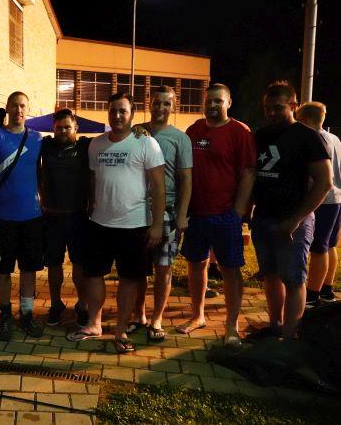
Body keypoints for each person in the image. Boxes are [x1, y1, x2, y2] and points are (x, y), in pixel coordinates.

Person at [69, 93, 165, 353]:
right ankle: (94, 323)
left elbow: (159, 186)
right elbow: (92, 181)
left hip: (134, 226)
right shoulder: (96, 144)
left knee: (129, 279)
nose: (117, 115)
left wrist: (157, 224)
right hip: (100, 223)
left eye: (123, 111)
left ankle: (121, 330)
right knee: (93, 275)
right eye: (113, 111)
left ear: (132, 114)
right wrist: (90, 210)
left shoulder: (146, 143)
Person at [251, 84, 331, 340]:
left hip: (294, 222)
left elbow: (324, 182)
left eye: (278, 108)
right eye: (267, 108)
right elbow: (252, 176)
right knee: (271, 275)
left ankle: (290, 337)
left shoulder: (308, 137)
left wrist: (296, 220)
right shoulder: (260, 135)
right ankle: (275, 327)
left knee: (294, 279)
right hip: (263, 218)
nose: (272, 113)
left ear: (294, 106)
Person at [180, 83, 256, 347]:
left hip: (225, 215)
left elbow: (248, 173)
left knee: (230, 270)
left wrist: (238, 211)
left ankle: (231, 325)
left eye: (218, 101)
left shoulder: (239, 132)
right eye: (209, 101)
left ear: (228, 103)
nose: (212, 105)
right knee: (196, 264)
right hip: (196, 214)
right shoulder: (194, 130)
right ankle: (197, 316)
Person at [0, 91, 44, 341]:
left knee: (29, 269)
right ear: (7, 107)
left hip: (32, 217)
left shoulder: (37, 138)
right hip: (2, 218)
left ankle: (26, 314)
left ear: (28, 109)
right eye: (15, 105)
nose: (19, 110)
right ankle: (5, 315)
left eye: (23, 106)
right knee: (3, 270)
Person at [129, 86, 192, 342]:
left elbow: (186, 178)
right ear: (149, 103)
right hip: (136, 212)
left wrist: (182, 214)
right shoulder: (136, 132)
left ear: (174, 106)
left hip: (167, 212)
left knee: (163, 268)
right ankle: (139, 315)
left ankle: (157, 318)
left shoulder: (180, 139)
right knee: (137, 269)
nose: (161, 108)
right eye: (157, 102)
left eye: (167, 103)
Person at [38, 109, 91, 327]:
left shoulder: (86, 146)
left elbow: (114, 137)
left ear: (76, 127)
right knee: (53, 264)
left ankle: (82, 305)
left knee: (79, 264)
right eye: (59, 127)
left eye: (67, 127)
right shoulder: (45, 145)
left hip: (78, 217)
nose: (63, 131)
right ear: (53, 128)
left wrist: (139, 129)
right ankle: (56, 304)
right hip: (52, 217)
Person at [298, 102, 341, 307]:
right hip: (337, 198)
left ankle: (313, 295)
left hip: (322, 198)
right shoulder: (334, 138)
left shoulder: (313, 139)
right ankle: (327, 289)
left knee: (318, 247)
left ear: (306, 120)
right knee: (330, 244)